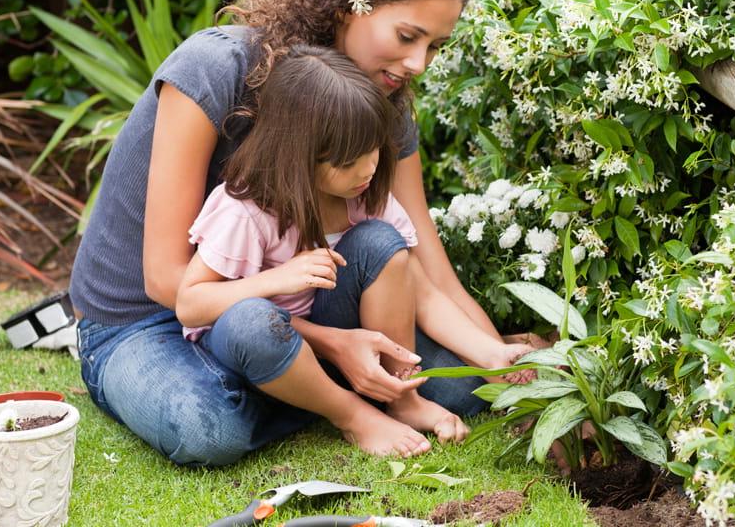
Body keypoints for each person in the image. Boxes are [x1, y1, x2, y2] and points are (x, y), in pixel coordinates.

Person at [70, 0, 530, 465]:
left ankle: (299, 386)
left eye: (434, 46)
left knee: (458, 389)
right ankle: (334, 399)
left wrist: (502, 372)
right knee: (206, 429)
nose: (419, 64)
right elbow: (171, 284)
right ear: (348, 4)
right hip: (152, 321)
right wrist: (336, 343)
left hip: (296, 302)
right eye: (408, 35)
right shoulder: (215, 71)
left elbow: (426, 266)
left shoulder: (385, 105)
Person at [174, 45, 532, 456]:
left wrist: (492, 354)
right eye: (348, 163)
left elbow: (424, 294)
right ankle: (352, 416)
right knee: (254, 323)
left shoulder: (366, 196)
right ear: (298, 155)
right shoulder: (248, 210)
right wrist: (276, 279)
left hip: (347, 338)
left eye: (373, 153)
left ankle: (401, 398)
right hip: (266, 355)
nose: (367, 171)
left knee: (464, 393)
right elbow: (189, 304)